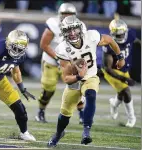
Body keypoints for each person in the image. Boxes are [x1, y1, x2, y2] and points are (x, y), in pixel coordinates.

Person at [47, 16, 125, 147]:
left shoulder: (92, 36)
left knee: (91, 94)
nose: (72, 33)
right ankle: (58, 133)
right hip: (74, 81)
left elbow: (110, 40)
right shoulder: (62, 48)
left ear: (80, 28)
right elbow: (66, 78)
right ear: (63, 32)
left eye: (74, 30)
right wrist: (78, 76)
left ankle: (86, 131)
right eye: (68, 31)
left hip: (90, 77)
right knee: (65, 114)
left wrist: (120, 57)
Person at [35, 3, 87, 124]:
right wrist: (58, 58)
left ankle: (82, 115)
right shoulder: (53, 24)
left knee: (76, 87)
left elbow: (83, 45)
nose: (67, 16)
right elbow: (44, 45)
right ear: (59, 14)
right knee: (49, 88)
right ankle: (40, 112)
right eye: (64, 14)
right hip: (52, 60)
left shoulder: (80, 26)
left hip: (71, 61)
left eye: (70, 14)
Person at [101, 19, 140, 127]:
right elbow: (108, 68)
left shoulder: (130, 34)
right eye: (117, 35)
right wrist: (124, 79)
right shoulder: (108, 45)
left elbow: (135, 40)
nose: (120, 37)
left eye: (122, 34)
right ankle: (132, 118)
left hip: (124, 68)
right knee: (126, 91)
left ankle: (114, 103)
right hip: (112, 72)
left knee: (121, 93)